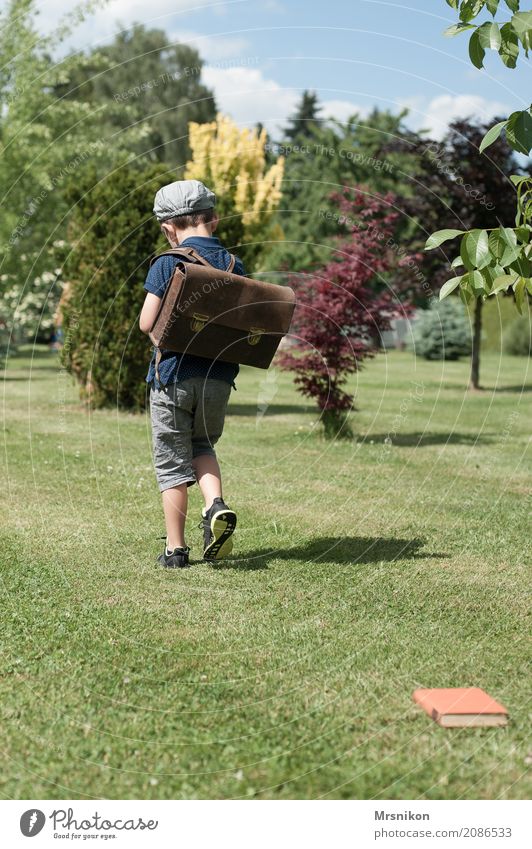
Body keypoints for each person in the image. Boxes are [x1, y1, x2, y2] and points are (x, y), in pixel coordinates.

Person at [139, 179, 244, 569]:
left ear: (168, 229)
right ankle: (215, 505)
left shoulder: (169, 262)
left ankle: (176, 549)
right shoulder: (235, 264)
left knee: (171, 463)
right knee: (203, 447)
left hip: (173, 378)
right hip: (219, 379)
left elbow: (146, 321)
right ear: (213, 220)